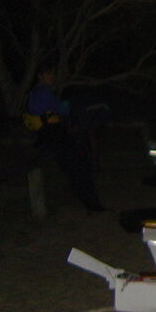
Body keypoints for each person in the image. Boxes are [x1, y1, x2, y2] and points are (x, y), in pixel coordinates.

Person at [26, 65, 105, 213]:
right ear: (40, 76)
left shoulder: (38, 93)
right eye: (49, 74)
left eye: (52, 74)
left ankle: (91, 202)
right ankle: (92, 204)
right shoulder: (42, 93)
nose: (52, 77)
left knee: (76, 166)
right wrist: (71, 103)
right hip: (53, 134)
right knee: (78, 167)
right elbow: (63, 108)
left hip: (50, 134)